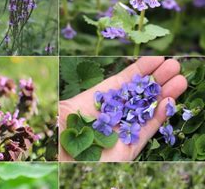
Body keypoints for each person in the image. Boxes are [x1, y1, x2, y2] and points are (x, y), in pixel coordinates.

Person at [59, 56, 188, 161]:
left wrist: (140, 107)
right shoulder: (113, 111)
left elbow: (124, 112)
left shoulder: (122, 110)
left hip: (134, 107)